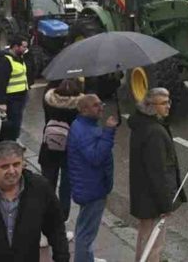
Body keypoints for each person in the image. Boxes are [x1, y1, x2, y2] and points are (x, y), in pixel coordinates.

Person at [0, 141, 69, 261]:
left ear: (23, 164)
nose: (12, 171)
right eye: (4, 166)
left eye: (16, 164)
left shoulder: (40, 189)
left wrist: (62, 257)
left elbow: (55, 227)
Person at [129, 88, 186, 262]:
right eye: (164, 103)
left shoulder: (141, 123)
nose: (168, 106)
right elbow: (157, 171)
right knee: (154, 245)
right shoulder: (154, 131)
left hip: (144, 195)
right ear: (151, 106)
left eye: (169, 101)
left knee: (145, 238)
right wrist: (165, 205)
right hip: (153, 200)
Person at [67, 94, 117, 262]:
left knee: (85, 229)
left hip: (90, 185)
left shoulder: (85, 125)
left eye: (101, 103)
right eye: (96, 105)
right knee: (86, 234)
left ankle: (87, 258)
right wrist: (108, 132)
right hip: (92, 188)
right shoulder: (83, 129)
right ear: (84, 110)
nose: (101, 107)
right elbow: (95, 157)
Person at [38, 78, 82, 240]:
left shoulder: (48, 100)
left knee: (47, 186)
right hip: (69, 150)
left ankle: (44, 230)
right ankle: (61, 224)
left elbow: (48, 90)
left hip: (49, 147)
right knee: (66, 188)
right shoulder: (78, 105)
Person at [0, 34, 29, 142]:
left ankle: (12, 142)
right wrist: (1, 102)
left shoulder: (19, 57)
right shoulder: (5, 60)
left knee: (15, 123)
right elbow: (0, 83)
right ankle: (6, 144)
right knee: (10, 125)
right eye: (24, 47)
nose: (26, 49)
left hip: (20, 96)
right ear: (16, 46)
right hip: (11, 98)